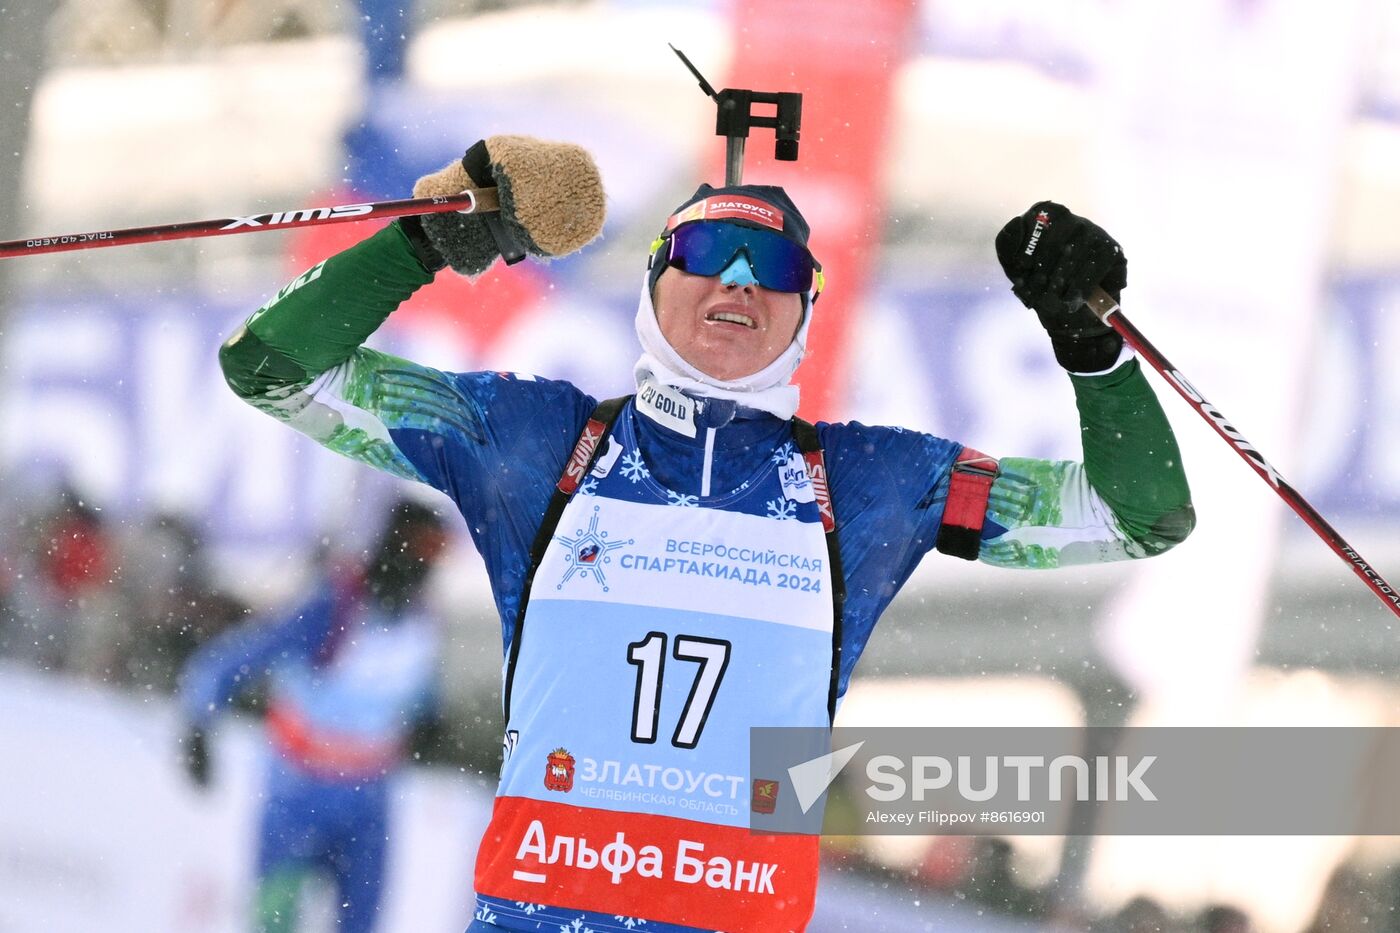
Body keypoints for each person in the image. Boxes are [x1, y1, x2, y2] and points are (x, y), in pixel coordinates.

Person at [216, 135, 1194, 933]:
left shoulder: (868, 485)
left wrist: (1088, 344)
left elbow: (1135, 516)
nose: (736, 278)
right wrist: (426, 240)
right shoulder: (532, 444)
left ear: (804, 307)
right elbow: (271, 368)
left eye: (771, 265)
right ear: (653, 283)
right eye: (701, 254)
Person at [177, 498, 449, 933]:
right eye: (423, 550)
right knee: (274, 922)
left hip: (369, 801)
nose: (428, 567)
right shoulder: (333, 607)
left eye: (438, 554)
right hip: (299, 794)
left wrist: (434, 721)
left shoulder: (420, 618)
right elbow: (233, 661)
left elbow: (423, 693)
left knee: (361, 925)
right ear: (396, 545)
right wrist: (197, 724)